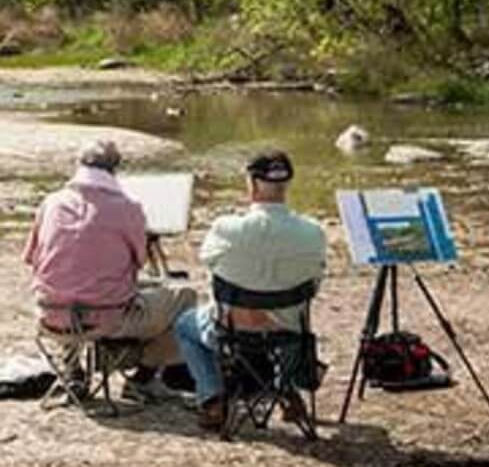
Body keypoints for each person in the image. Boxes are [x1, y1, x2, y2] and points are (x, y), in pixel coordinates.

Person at [24, 139, 202, 404]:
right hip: (107, 320)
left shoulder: (51, 203)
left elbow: (32, 258)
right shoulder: (127, 208)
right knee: (185, 298)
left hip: (50, 317)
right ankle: (142, 377)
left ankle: (73, 372)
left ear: (78, 165)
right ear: (115, 170)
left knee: (70, 284)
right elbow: (139, 262)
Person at [175, 150, 327, 431]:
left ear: (253, 184)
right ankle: (285, 390)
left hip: (232, 333)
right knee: (287, 317)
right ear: (286, 185)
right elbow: (315, 283)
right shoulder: (313, 233)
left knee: (185, 325)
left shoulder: (226, 228)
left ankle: (212, 400)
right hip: (288, 335)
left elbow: (207, 261)